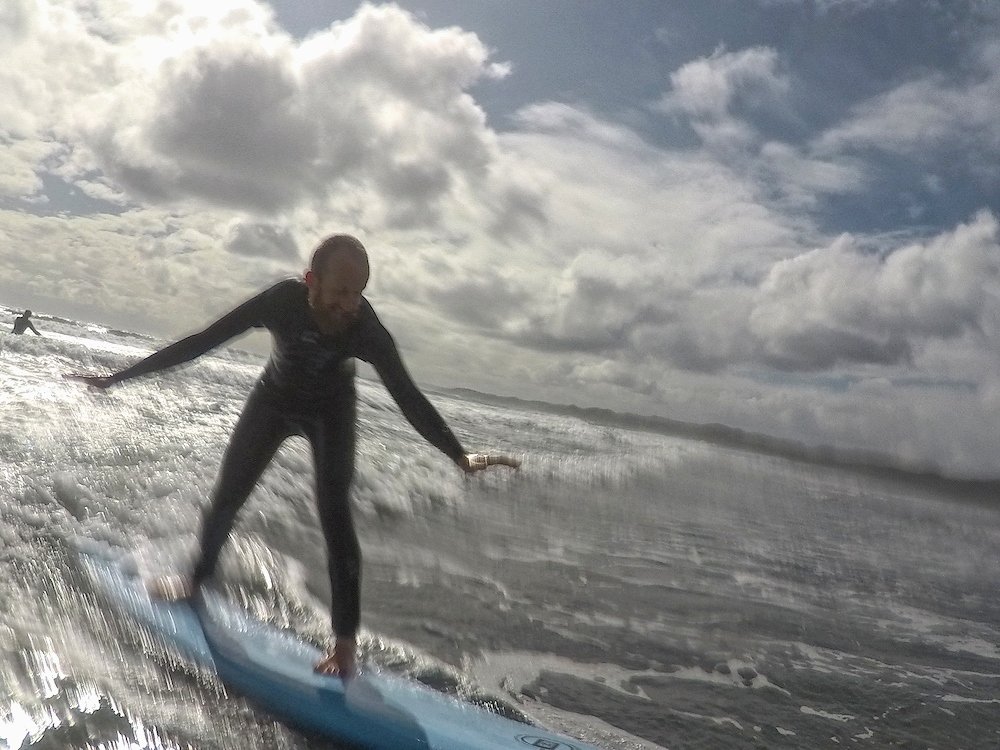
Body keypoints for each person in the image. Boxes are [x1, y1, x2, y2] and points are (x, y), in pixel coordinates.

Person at [68, 234, 519, 678]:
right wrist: (116, 378)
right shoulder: (281, 302)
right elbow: (203, 342)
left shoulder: (365, 329)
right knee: (228, 495)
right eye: (342, 291)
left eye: (359, 292)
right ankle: (195, 582)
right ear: (311, 281)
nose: (351, 304)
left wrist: (458, 455)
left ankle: (344, 646)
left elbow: (407, 396)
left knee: (335, 515)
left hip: (331, 411)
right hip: (274, 400)